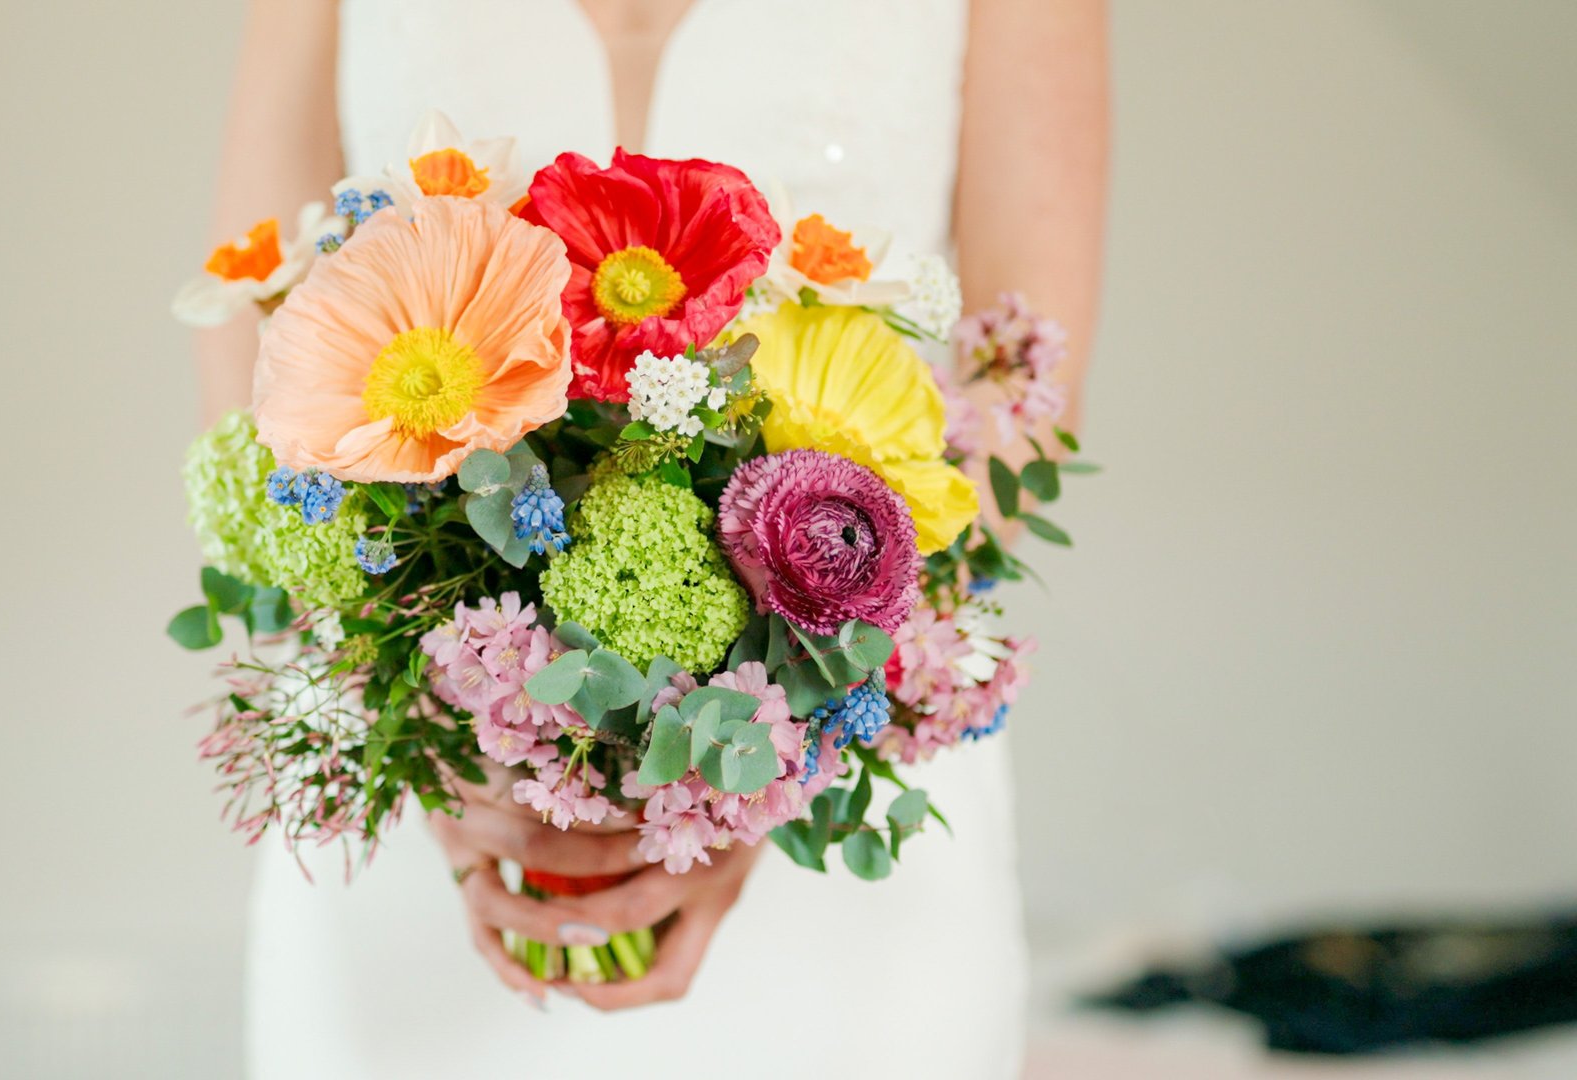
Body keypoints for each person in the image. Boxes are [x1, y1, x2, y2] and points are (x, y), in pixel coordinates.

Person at [194, 2, 1106, 1074]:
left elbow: (1020, 394)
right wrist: (436, 739)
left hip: (830, 803)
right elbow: (256, 348)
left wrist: (757, 773)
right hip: (433, 810)